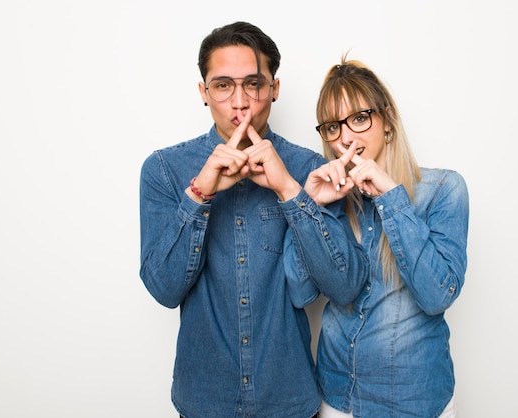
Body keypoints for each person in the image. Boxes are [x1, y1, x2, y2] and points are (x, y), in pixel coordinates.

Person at [139, 23, 368, 418]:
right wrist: (200, 194)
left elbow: (345, 285)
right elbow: (163, 288)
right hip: (204, 402)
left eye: (254, 84)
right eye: (223, 85)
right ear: (203, 93)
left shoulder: (310, 169)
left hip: (290, 401)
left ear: (274, 89)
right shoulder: (164, 170)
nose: (240, 103)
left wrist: (290, 191)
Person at [285, 56, 469, 417]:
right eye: (333, 127)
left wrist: (391, 198)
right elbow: (300, 292)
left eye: (358, 118)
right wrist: (308, 207)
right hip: (338, 398)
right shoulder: (333, 198)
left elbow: (437, 296)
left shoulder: (444, 189)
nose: (347, 137)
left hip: (415, 402)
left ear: (387, 121)